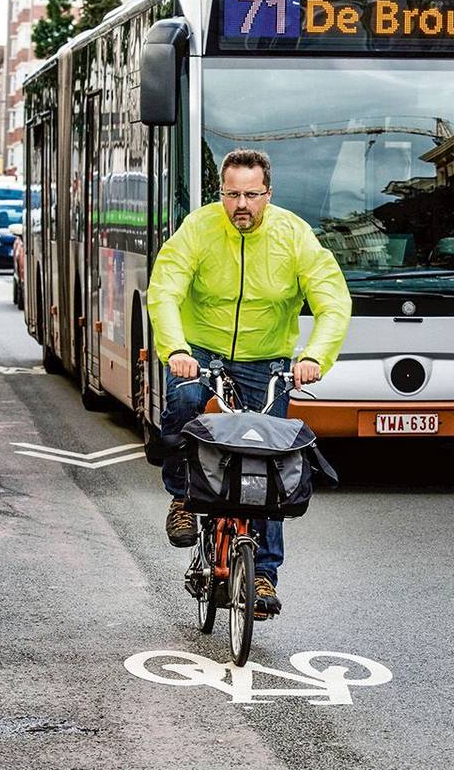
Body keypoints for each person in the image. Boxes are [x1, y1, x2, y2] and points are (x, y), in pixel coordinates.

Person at [146, 148, 351, 619]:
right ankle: (181, 495)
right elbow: (166, 289)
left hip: (266, 359)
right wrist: (176, 349)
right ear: (221, 192)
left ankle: (262, 574)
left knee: (270, 462)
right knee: (184, 405)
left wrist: (315, 356)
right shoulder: (198, 229)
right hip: (198, 350)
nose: (241, 204)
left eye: (251, 195)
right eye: (232, 194)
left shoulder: (294, 235)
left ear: (268, 194)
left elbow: (332, 300)